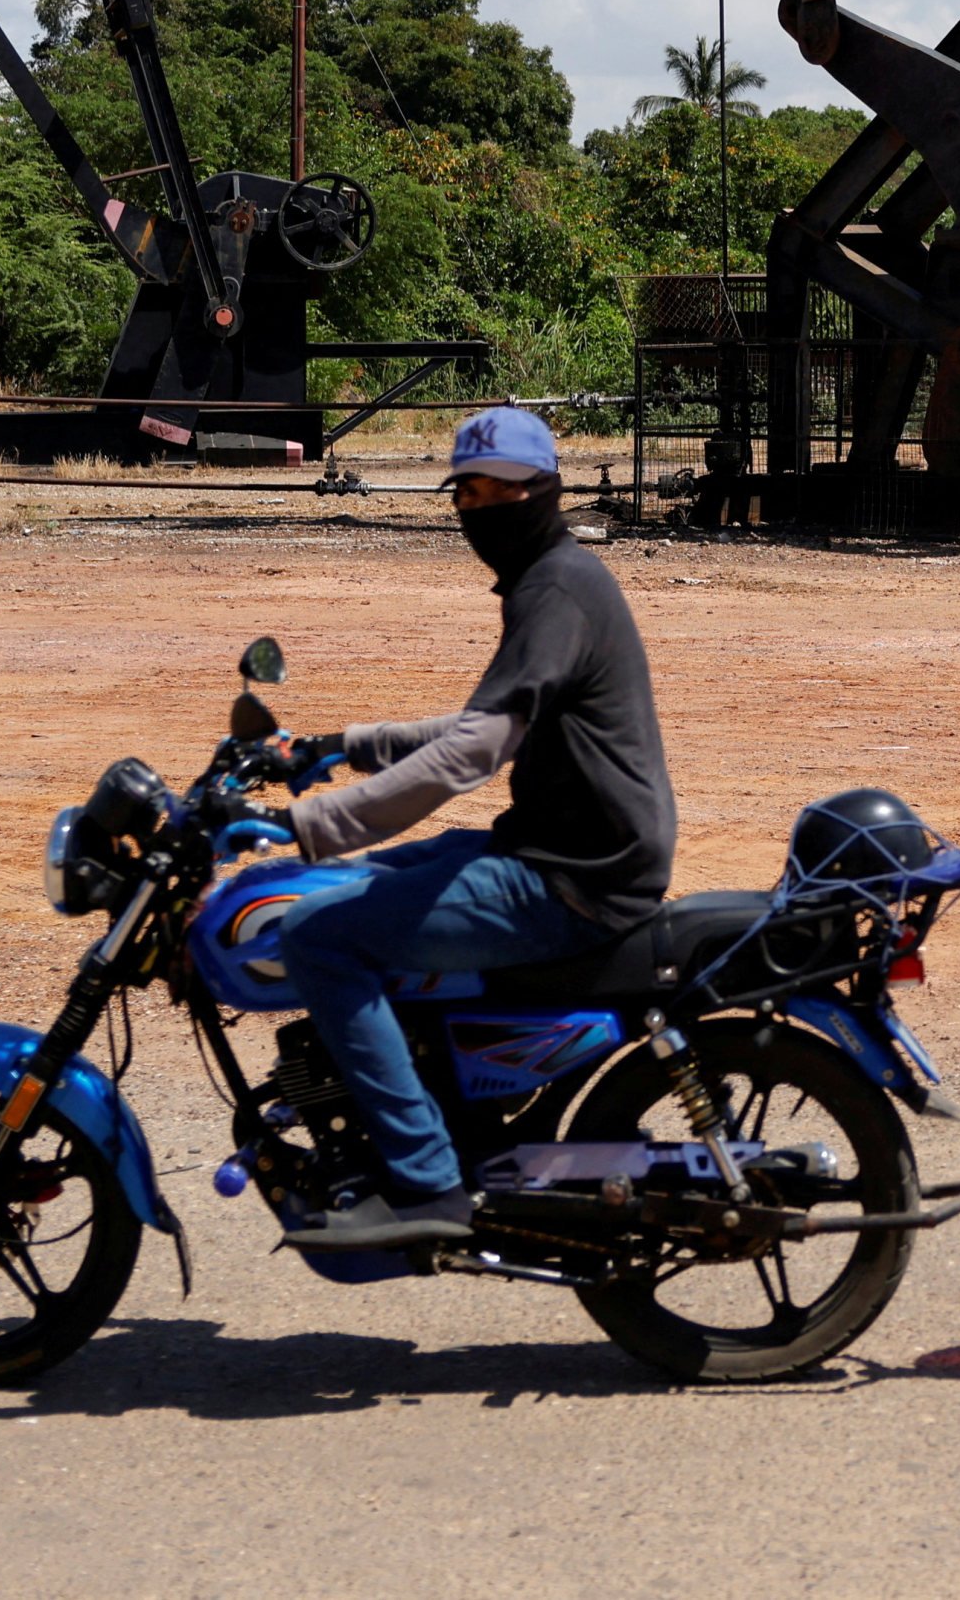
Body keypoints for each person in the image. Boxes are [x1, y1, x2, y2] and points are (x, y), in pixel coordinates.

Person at [269, 405, 675, 1249]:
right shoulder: (548, 581)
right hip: (555, 844)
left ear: (546, 491)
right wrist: (336, 746)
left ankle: (424, 1186)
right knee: (357, 890)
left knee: (317, 939)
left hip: (576, 876)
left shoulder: (557, 588)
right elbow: (477, 724)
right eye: (467, 492)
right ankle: (438, 1103)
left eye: (502, 490)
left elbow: (473, 755)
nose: (482, 508)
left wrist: (309, 823)